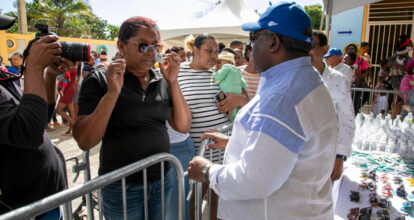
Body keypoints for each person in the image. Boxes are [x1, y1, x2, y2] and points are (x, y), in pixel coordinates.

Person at [187, 3, 338, 219]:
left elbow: (253, 180)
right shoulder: (307, 80)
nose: (250, 49)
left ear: (274, 43)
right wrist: (236, 142)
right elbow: (287, 148)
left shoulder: (283, 97)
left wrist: (206, 170)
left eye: (254, 40)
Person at [73, 16, 191, 220]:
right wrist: (112, 94)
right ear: (121, 46)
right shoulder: (101, 79)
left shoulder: (161, 79)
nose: (152, 53)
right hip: (121, 187)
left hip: (162, 179)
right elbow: (85, 140)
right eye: (142, 46)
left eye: (156, 46)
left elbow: (182, 125)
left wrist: (172, 82)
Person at [166, 34, 249, 220]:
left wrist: (241, 98)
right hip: (196, 154)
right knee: (192, 203)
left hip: (223, 153)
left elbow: (247, 100)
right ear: (194, 50)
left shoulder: (218, 75)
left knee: (216, 202)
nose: (213, 56)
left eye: (216, 52)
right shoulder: (177, 74)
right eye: (208, 51)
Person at [0, 14, 73, 217]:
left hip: (42, 198)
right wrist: (33, 66)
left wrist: (49, 75)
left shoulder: (3, 77)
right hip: (20, 207)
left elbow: (40, 118)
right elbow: (28, 132)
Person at [310, 31, 355, 181]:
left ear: (324, 49)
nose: (307, 51)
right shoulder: (294, 77)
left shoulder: (338, 80)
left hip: (326, 154)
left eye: (312, 45)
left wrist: (339, 156)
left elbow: (346, 119)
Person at [213, 51, 247, 122]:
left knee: (222, 102)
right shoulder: (237, 70)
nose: (217, 65)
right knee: (236, 109)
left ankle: (231, 120)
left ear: (228, 62)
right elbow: (243, 82)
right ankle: (235, 119)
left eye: (219, 62)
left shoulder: (226, 66)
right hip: (237, 92)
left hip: (227, 91)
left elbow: (218, 77)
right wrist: (243, 87)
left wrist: (214, 76)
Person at [56, 66, 77, 136]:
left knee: (58, 110)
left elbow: (62, 78)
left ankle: (75, 125)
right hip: (69, 90)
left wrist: (54, 75)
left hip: (68, 91)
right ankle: (71, 130)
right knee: (71, 111)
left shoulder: (71, 67)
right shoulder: (72, 67)